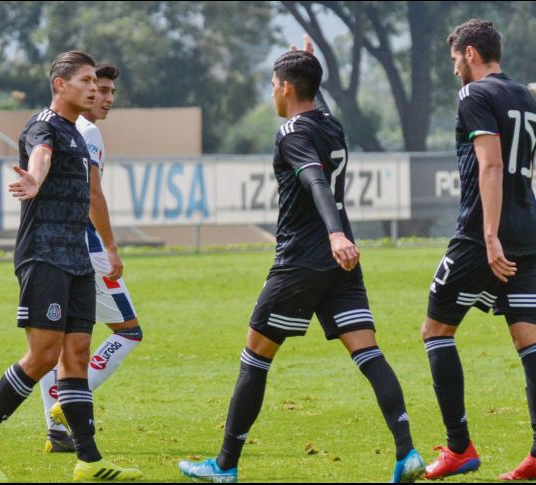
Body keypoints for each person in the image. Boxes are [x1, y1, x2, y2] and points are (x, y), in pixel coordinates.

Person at [177, 36, 425, 483]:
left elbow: (314, 182)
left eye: (274, 83)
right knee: (368, 351)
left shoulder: (292, 133)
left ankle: (224, 466)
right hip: (341, 260)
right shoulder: (331, 124)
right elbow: (318, 106)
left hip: (302, 259)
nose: (271, 91)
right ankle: (407, 453)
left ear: (288, 88)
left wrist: (331, 232)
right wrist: (309, 62)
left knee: (255, 356)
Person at [0, 51, 142, 483]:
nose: (94, 89)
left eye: (96, 82)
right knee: (42, 357)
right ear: (60, 85)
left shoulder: (80, 134)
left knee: (76, 355)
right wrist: (35, 179)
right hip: (43, 256)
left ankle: (89, 461)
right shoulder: (44, 126)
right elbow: (39, 155)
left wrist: (110, 248)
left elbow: (93, 193)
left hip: (77, 258)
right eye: (85, 81)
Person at [421, 19, 536, 481]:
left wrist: (489, 236)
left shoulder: (475, 95)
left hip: (479, 235)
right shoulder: (526, 96)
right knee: (528, 340)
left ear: (470, 53)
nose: (454, 71)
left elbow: (490, 166)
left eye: (455, 60)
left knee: (435, 331)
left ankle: (459, 447)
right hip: (528, 232)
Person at [37, 63, 144, 454]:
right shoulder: (88, 131)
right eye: (99, 89)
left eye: (112, 91)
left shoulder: (55, 127)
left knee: (61, 343)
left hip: (53, 247)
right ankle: (69, 403)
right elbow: (93, 194)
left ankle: (57, 430)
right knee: (128, 331)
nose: (108, 98)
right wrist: (111, 247)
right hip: (87, 248)